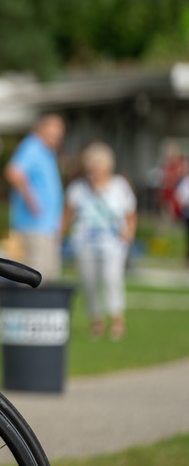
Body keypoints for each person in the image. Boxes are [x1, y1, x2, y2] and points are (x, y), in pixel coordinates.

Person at [61, 142, 137, 340]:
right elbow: (67, 215)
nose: (95, 171)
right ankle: (96, 321)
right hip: (84, 243)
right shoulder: (78, 188)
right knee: (89, 283)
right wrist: (60, 235)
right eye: (92, 166)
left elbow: (130, 214)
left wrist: (128, 234)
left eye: (99, 166)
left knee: (112, 280)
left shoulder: (119, 186)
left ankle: (117, 321)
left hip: (112, 244)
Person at [3, 114, 65, 282]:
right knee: (35, 276)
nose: (57, 135)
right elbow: (13, 172)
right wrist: (31, 200)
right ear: (42, 128)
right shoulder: (32, 147)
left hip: (46, 226)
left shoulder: (46, 151)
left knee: (48, 275)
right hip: (33, 226)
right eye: (53, 130)